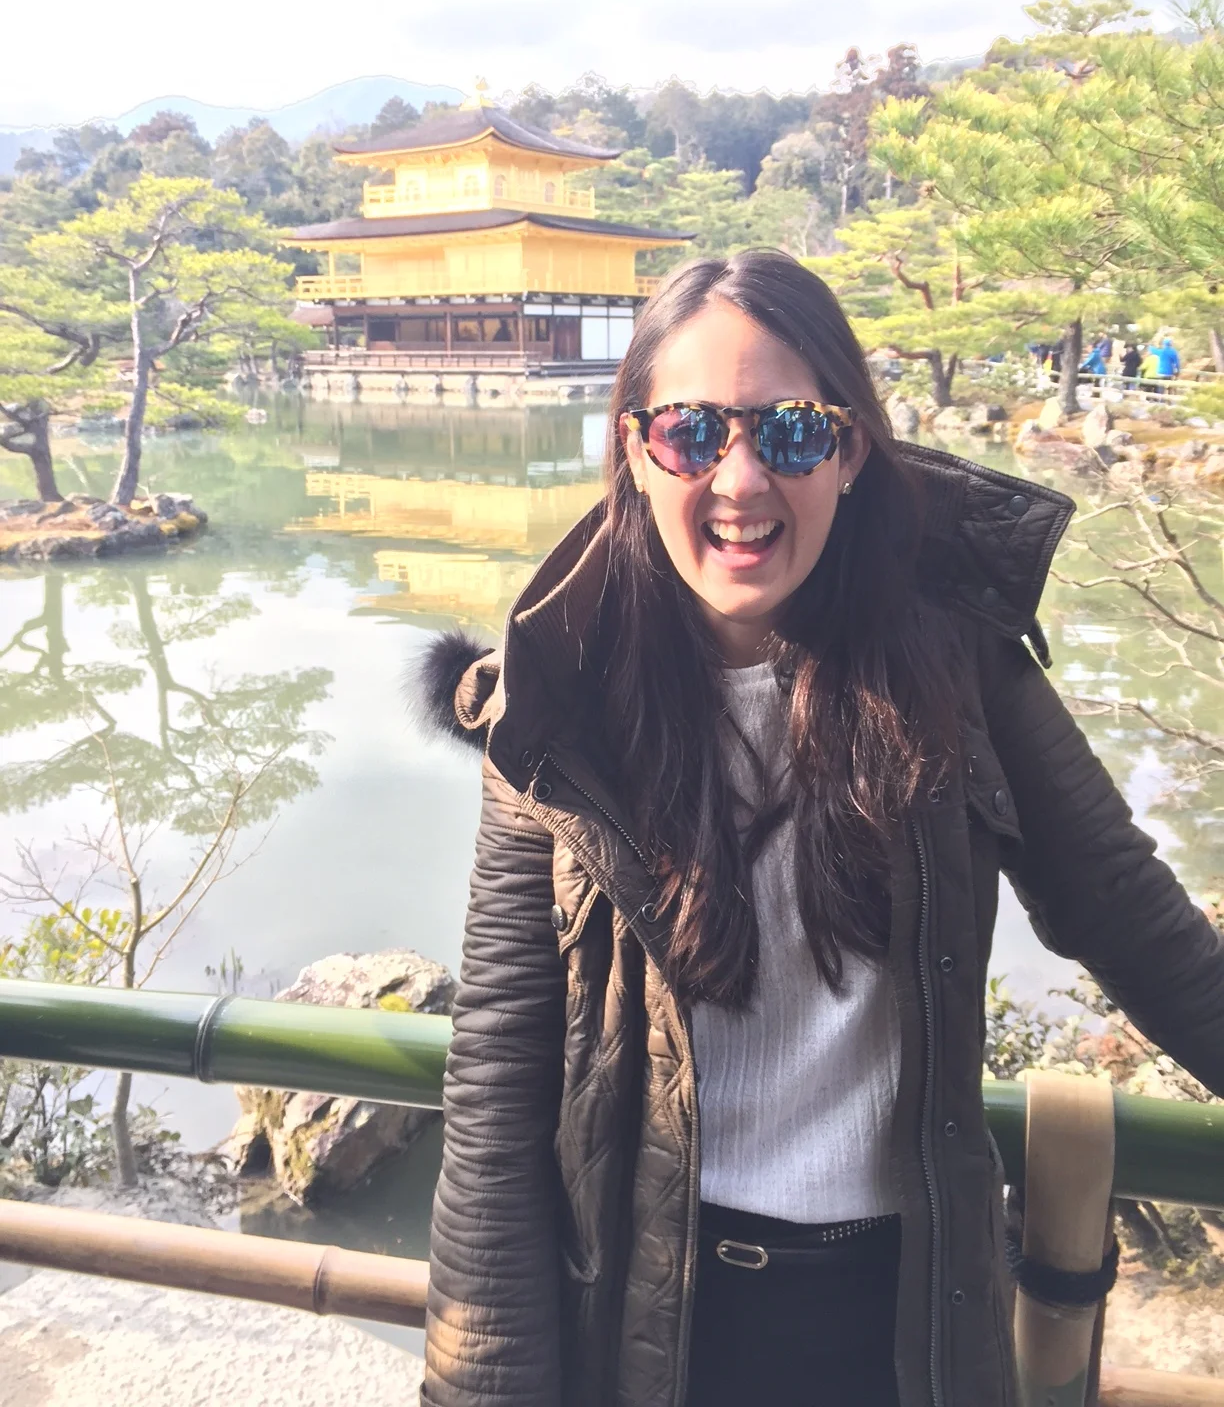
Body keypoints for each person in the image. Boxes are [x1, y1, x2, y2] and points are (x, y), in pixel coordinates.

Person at [418, 251, 1224, 1407]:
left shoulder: (955, 665)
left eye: (790, 432)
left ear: (849, 452)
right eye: (694, 434)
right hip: (656, 1320)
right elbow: (498, 1080)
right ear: (635, 454)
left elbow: (1135, 919)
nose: (740, 481)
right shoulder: (560, 707)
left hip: (908, 1324)